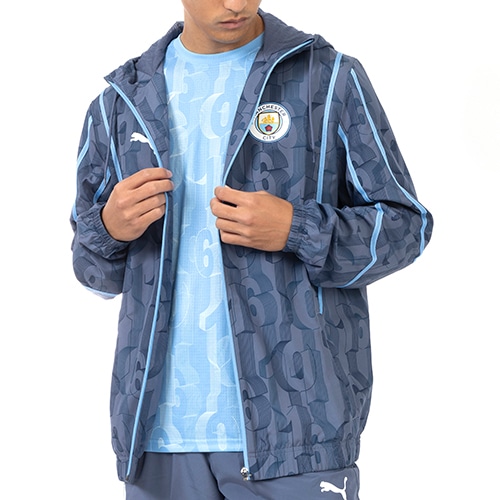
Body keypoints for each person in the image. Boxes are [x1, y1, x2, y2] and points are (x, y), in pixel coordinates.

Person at [70, 1, 433, 498]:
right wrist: (110, 228)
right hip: (156, 436)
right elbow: (93, 272)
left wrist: (297, 229)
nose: (237, 3)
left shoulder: (328, 80)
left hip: (298, 434)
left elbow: (405, 227)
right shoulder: (119, 102)